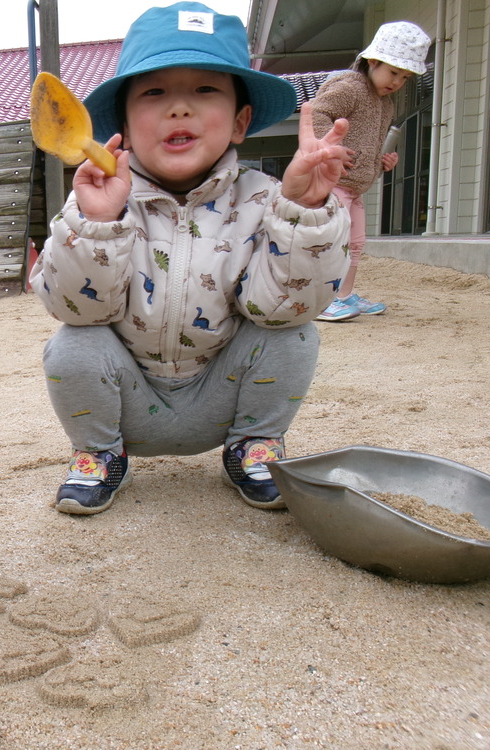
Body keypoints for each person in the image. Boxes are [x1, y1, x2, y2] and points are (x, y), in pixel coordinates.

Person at [29, 2, 352, 515]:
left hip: (221, 397)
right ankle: (98, 454)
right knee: (73, 344)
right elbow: (77, 308)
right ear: (126, 127)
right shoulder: (98, 200)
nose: (179, 108)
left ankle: (255, 446)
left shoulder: (267, 198)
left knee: (295, 334)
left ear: (241, 121)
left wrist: (303, 212)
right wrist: (97, 225)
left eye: (205, 90)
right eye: (155, 92)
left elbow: (282, 309)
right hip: (127, 398)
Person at [312, 21, 431, 321]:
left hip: (356, 186)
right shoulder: (350, 88)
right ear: (373, 61)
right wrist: (330, 151)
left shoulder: (385, 104)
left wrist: (382, 161)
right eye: (393, 72)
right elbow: (317, 113)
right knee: (332, 243)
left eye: (405, 77)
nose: (397, 82)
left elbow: (372, 144)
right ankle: (323, 301)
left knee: (356, 243)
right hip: (332, 181)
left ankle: (345, 295)